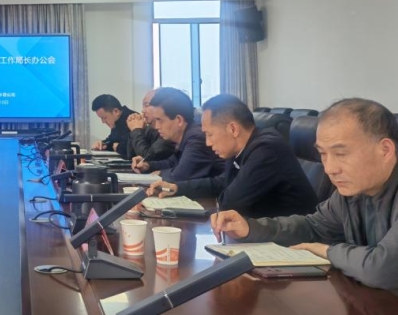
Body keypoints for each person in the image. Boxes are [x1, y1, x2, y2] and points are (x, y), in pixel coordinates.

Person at [212, 98, 398, 315]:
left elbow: (383, 269)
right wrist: (251, 228)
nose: (330, 168)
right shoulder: (354, 190)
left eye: (341, 153)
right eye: (323, 154)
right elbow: (314, 227)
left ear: (385, 150)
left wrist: (329, 252)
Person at [147, 93, 317, 218]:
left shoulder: (267, 149)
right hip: (265, 232)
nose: (207, 143)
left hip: (293, 242)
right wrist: (178, 188)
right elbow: (222, 182)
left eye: (210, 134)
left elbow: (231, 203)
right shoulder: (241, 146)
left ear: (233, 129)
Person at [132, 87, 223, 182]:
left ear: (179, 120)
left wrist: (161, 173)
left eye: (160, 120)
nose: (157, 126)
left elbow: (180, 176)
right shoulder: (186, 135)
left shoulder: (196, 138)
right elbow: (172, 162)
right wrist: (148, 165)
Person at [126, 89, 175, 165]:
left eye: (146, 105)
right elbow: (130, 156)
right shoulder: (149, 128)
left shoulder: (168, 129)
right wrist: (134, 130)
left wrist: (136, 130)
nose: (143, 111)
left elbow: (148, 157)